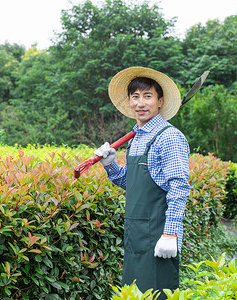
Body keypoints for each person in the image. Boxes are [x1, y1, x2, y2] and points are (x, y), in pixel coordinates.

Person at [94, 67, 190, 297]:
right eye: (135, 97)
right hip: (135, 236)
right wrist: (110, 164)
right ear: (129, 102)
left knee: (157, 293)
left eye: (147, 96)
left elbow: (178, 187)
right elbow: (131, 182)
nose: (141, 103)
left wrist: (171, 233)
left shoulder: (169, 137)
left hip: (158, 235)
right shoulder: (136, 138)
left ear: (160, 101)